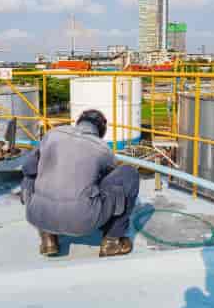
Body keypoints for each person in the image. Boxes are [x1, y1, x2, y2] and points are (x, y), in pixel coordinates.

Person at [21, 109, 140, 257]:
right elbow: (109, 180)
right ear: (101, 130)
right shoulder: (103, 149)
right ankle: (111, 242)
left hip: (37, 216)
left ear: (78, 122)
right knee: (129, 173)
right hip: (82, 222)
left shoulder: (52, 134)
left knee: (30, 174)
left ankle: (48, 238)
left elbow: (27, 168)